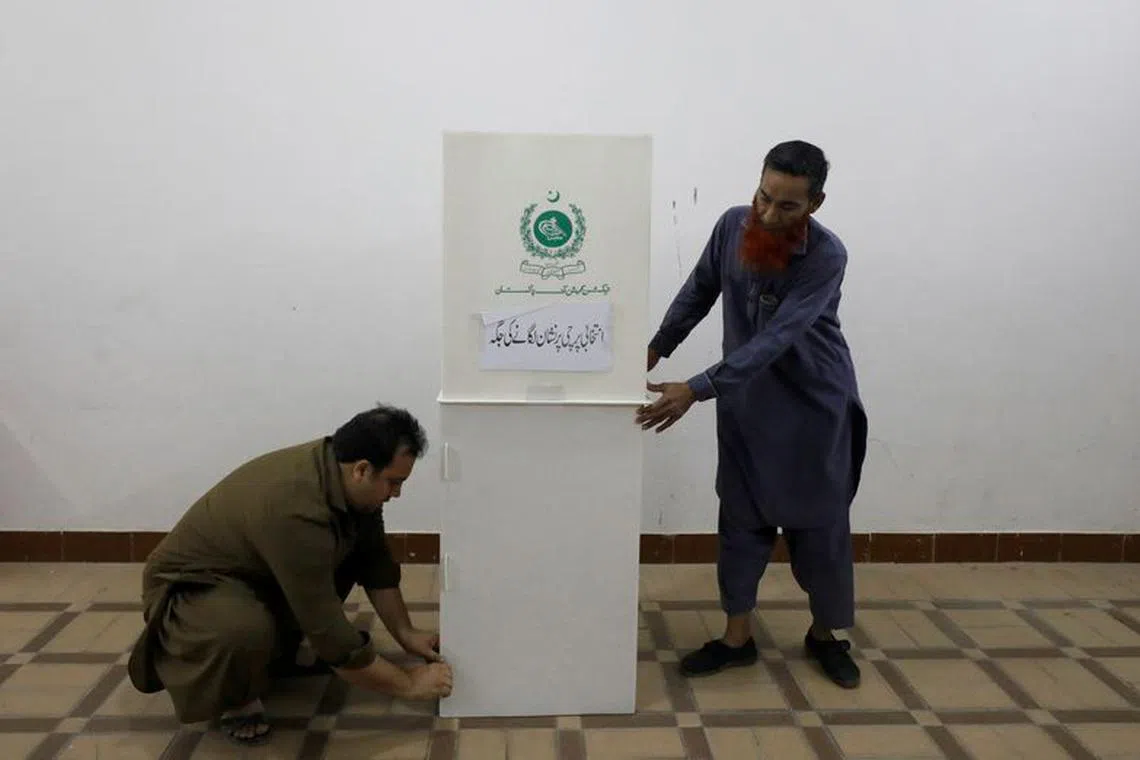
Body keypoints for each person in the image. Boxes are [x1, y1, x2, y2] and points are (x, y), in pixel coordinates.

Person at [635, 140, 868, 689]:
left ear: (816, 204)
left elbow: (780, 338)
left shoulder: (827, 256)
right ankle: (736, 639)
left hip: (815, 407)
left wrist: (696, 387)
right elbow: (698, 291)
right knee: (741, 521)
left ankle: (825, 635)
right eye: (763, 196)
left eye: (787, 206)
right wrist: (654, 348)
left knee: (819, 528)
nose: (768, 213)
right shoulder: (731, 227)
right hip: (746, 404)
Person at [127, 404, 454, 746]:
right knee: (241, 632)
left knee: (345, 554)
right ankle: (235, 698)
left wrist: (406, 633)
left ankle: (274, 651)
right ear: (362, 470)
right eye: (394, 483)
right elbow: (330, 635)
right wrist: (408, 683)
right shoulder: (297, 512)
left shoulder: (344, 480)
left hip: (253, 576)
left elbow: (373, 560)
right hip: (192, 590)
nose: (396, 494)